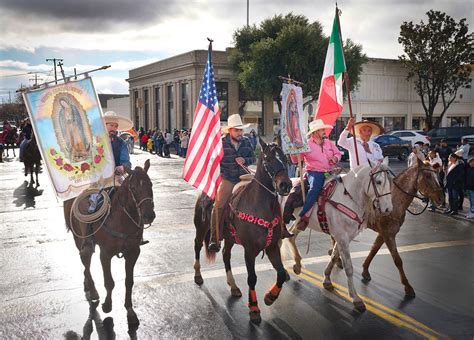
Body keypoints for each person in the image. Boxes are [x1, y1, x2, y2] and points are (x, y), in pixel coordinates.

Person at [208, 114, 256, 252]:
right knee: (218, 205)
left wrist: (245, 160)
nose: (240, 133)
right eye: (236, 130)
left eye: (241, 130)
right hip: (228, 178)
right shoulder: (221, 143)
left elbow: (253, 157)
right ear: (230, 131)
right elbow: (213, 159)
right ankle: (214, 238)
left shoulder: (246, 142)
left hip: (245, 176)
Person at [291, 119, 342, 229]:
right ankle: (303, 217)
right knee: (314, 189)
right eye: (322, 130)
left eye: (324, 129)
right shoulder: (306, 144)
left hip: (330, 171)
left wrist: (335, 158)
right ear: (315, 132)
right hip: (315, 172)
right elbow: (296, 161)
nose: (324, 131)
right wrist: (293, 151)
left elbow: (338, 153)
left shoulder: (329, 143)